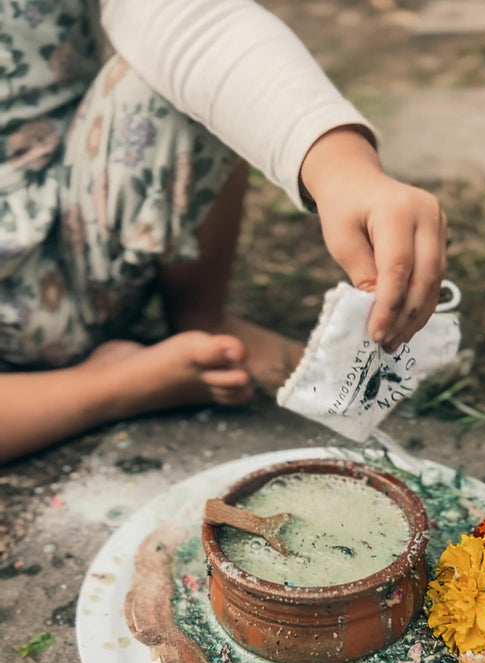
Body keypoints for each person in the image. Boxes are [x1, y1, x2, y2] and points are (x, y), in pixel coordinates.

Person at [0, 0, 447, 464]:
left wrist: (340, 165)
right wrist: (115, 390)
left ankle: (202, 318)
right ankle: (108, 383)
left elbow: (182, 17)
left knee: (174, 76)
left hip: (78, 234)